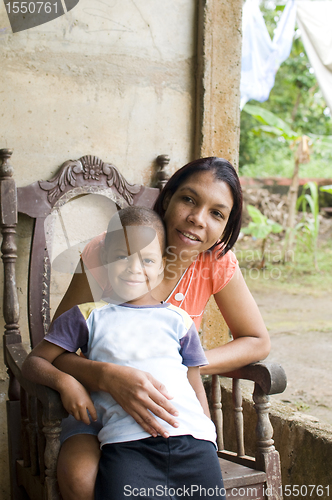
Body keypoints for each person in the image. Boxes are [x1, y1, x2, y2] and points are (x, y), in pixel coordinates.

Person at [50, 157, 271, 500]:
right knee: (81, 479)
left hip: (172, 413)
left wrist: (180, 365)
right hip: (99, 401)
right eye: (189, 200)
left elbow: (256, 341)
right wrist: (108, 376)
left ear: (226, 227)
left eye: (217, 213)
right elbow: (56, 346)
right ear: (168, 199)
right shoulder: (113, 249)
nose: (198, 219)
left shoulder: (215, 262)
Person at [22, 207, 226, 500]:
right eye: (121, 257)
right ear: (104, 261)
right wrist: (66, 383)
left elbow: (193, 382)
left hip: (194, 443)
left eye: (147, 259)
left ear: (162, 266)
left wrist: (209, 434)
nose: (134, 267)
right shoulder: (87, 316)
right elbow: (35, 362)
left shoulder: (179, 320)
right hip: (127, 444)